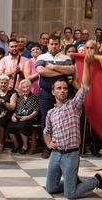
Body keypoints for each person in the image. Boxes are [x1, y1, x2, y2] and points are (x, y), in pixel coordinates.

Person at [43, 51, 102, 199]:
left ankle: (96, 180)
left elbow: (85, 86)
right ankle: (73, 182)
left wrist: (87, 64)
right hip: (56, 155)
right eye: (59, 88)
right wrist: (49, 143)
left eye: (65, 88)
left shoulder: (74, 105)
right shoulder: (50, 113)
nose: (62, 91)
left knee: (70, 194)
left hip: (71, 154)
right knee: (50, 188)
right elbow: (46, 132)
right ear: (53, 92)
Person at [36, 34, 75, 159]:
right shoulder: (42, 56)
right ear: (48, 45)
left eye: (56, 44)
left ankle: (61, 144)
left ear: (60, 45)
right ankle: (47, 146)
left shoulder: (65, 57)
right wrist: (60, 72)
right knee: (45, 120)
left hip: (61, 94)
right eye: (51, 44)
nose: (53, 46)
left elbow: (71, 70)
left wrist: (53, 67)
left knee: (62, 119)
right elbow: (41, 71)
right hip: (46, 93)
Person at [7, 79, 39, 154]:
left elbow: (36, 111)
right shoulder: (20, 99)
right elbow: (16, 110)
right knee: (9, 126)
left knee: (23, 126)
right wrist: (13, 117)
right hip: (20, 117)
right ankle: (16, 146)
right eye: (23, 87)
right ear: (21, 89)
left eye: (27, 87)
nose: (25, 89)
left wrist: (28, 117)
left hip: (30, 118)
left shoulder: (35, 97)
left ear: (30, 87)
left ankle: (25, 146)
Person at [0, 74, 18, 152]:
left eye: (5, 83)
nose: (3, 84)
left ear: (8, 83)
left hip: (9, 113)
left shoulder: (12, 93)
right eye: (1, 82)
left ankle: (0, 143)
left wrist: (3, 101)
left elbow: (12, 107)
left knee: (1, 121)